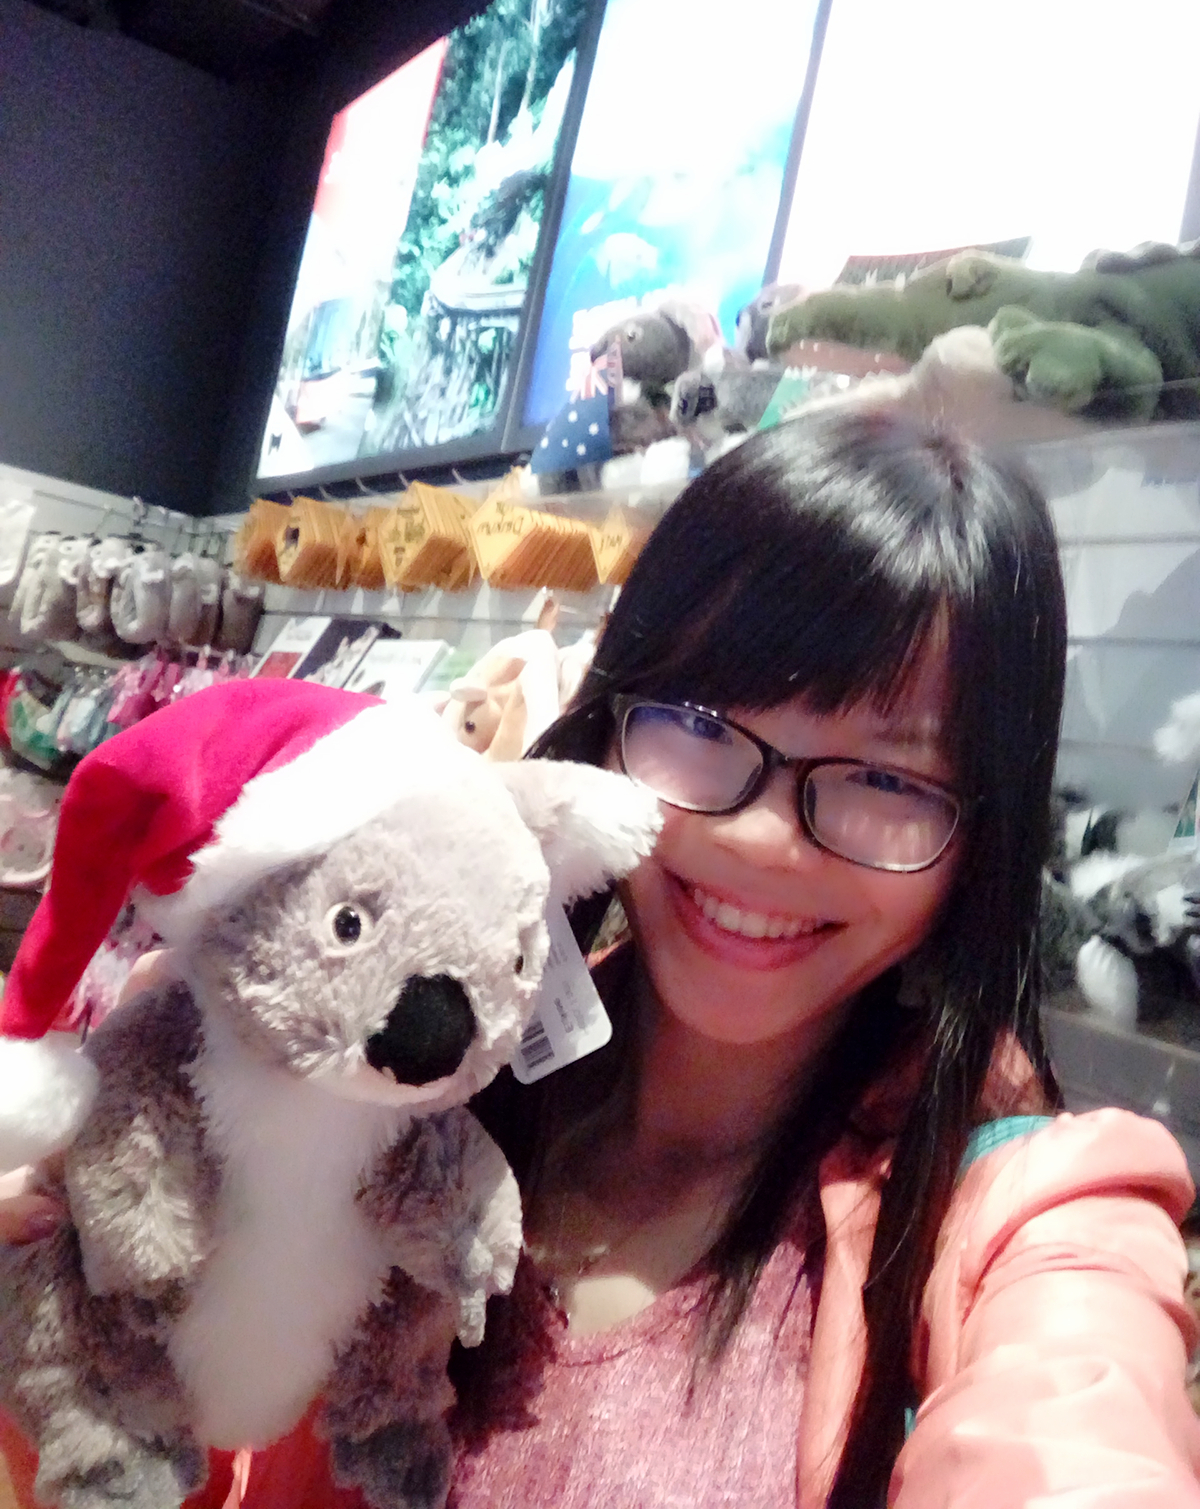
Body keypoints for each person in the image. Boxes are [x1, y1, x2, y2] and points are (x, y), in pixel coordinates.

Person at [2, 413, 1199, 1508]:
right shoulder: (402, 1067)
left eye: (886, 777)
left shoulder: (1026, 1223)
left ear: (981, 836)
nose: (761, 839)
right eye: (704, 724)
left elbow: (1078, 1439)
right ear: (610, 725)